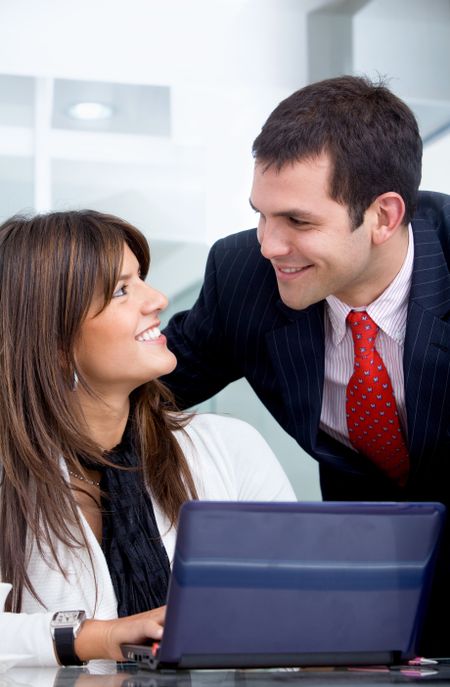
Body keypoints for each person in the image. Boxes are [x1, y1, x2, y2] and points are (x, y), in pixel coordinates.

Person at [162, 75, 450, 655]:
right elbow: (143, 388)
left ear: (384, 216)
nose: (269, 244)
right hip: (366, 591)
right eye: (261, 215)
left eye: (298, 221)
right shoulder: (244, 274)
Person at [0, 210, 295, 666]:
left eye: (142, 279)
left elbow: (300, 606)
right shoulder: (9, 473)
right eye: (122, 290)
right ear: (55, 343)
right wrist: (95, 637)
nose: (156, 299)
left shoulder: (229, 448)